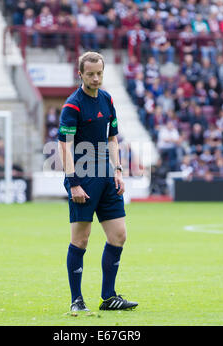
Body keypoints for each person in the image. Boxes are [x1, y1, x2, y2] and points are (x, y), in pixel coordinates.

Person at [58, 51, 138, 312]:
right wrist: (73, 183)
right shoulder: (73, 105)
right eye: (90, 74)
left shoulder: (107, 99)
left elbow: (112, 138)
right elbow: (64, 146)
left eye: (99, 73)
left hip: (106, 175)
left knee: (119, 235)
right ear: (79, 74)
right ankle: (76, 301)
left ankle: (109, 297)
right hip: (83, 178)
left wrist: (118, 170)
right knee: (81, 240)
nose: (96, 78)